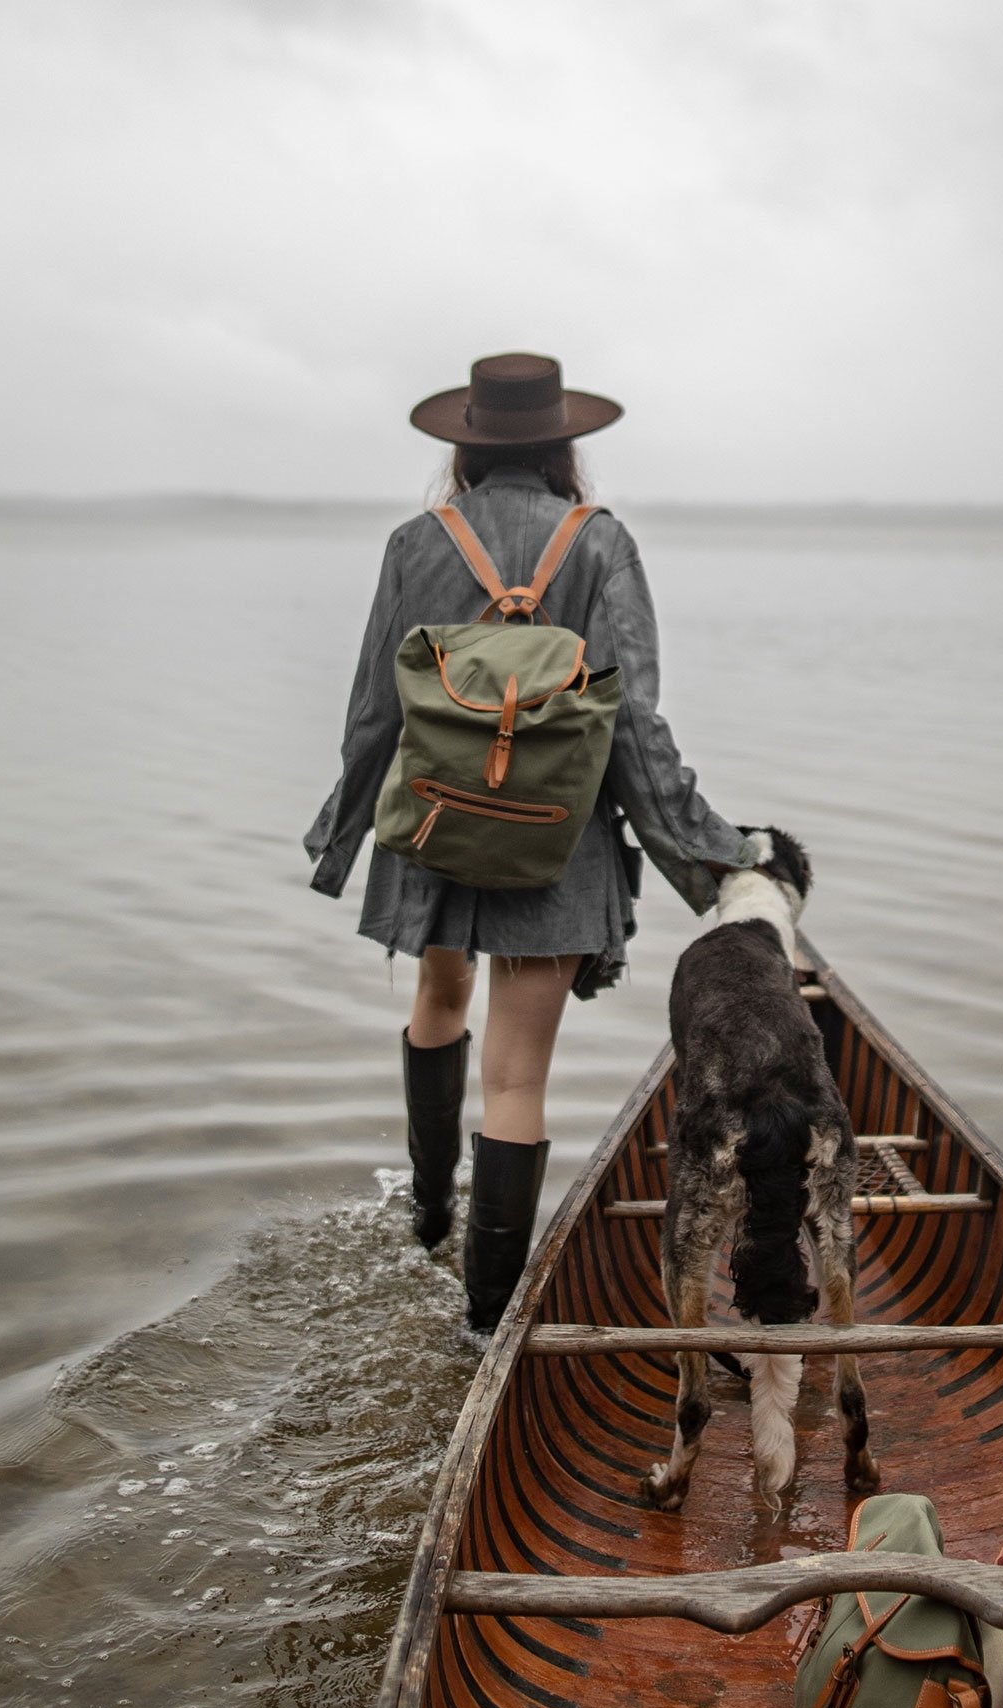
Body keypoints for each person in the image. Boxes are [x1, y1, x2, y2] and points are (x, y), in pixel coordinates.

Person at [304, 352, 751, 1331]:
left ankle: (427, 1214)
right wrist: (712, 857)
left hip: (428, 822)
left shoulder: (415, 542)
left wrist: (340, 840)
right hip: (557, 839)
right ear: (565, 445)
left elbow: (374, 710)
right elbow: (634, 728)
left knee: (437, 989)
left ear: (464, 447)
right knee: (516, 1079)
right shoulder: (601, 543)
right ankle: (482, 1330)